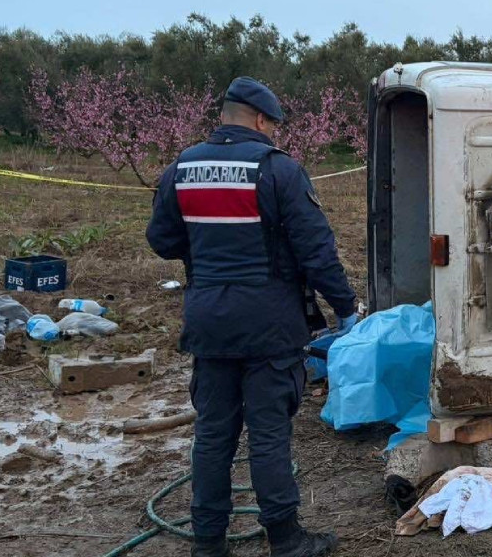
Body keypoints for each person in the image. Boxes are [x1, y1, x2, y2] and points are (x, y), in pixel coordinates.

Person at [147, 76, 357, 557]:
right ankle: (285, 539)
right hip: (269, 325)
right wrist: (345, 308)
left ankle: (207, 543)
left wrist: (208, 255)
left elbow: (162, 241)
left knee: (213, 434)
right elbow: (315, 252)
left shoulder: (183, 166)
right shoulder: (278, 170)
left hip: (208, 322)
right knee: (268, 433)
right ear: (261, 120)